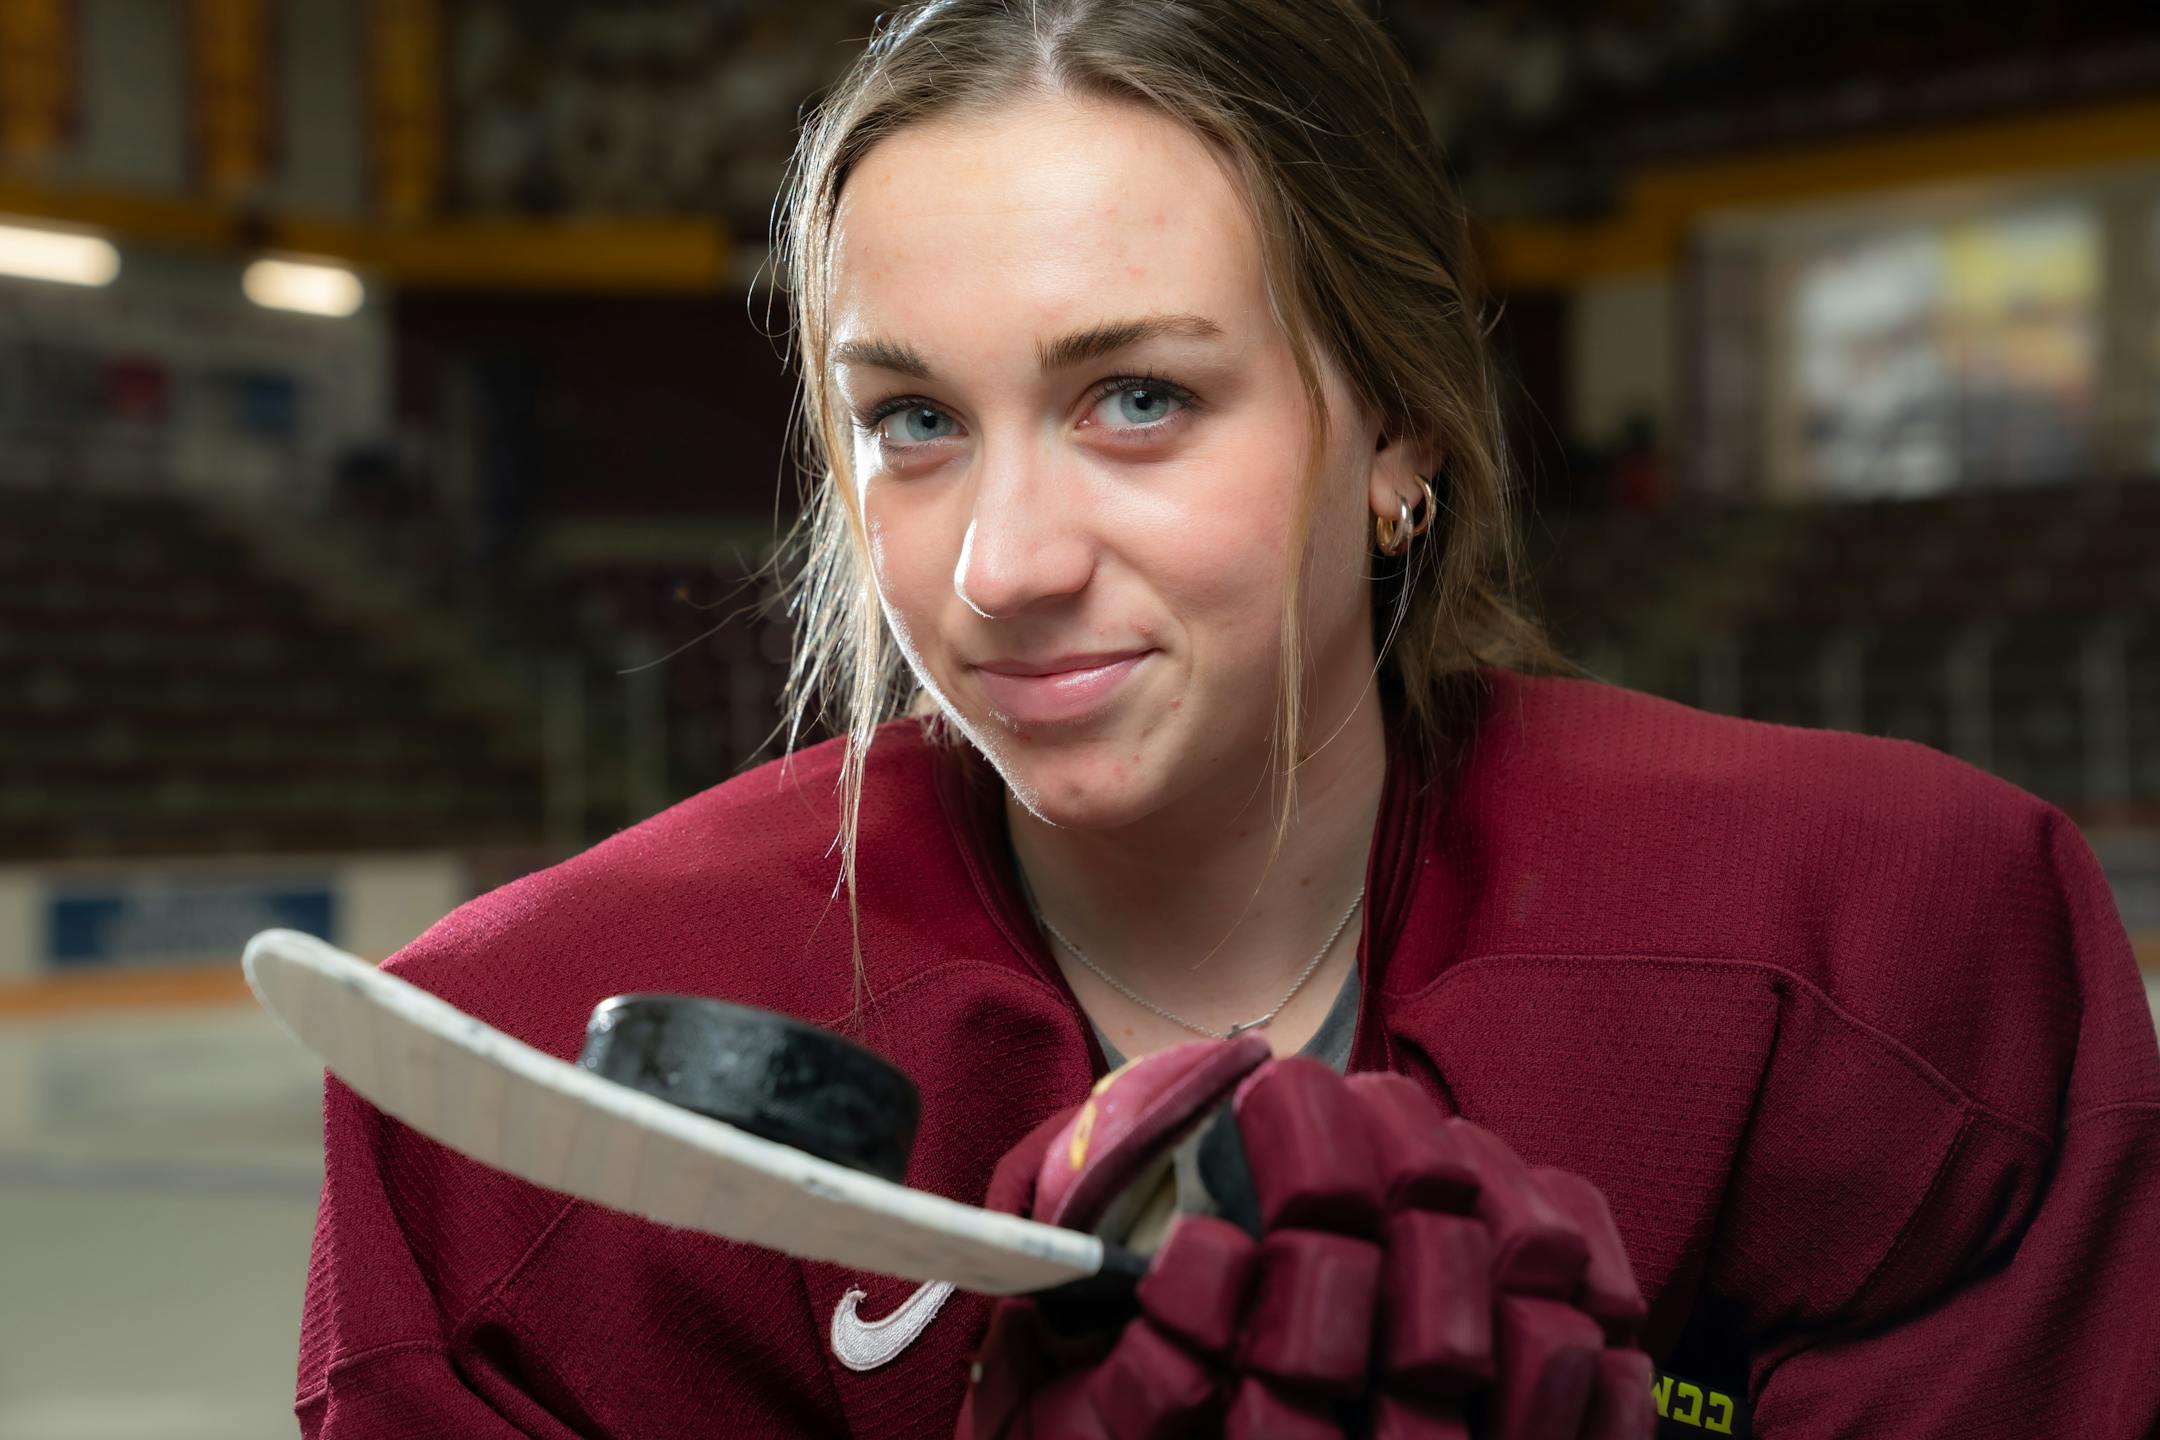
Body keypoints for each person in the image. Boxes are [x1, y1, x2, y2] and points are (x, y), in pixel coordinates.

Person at [293, 2, 2160, 1436]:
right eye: (913, 422)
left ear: (1399, 432)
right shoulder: (516, 1093)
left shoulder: (1888, 961)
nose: (1002, 563)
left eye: (1138, 400)